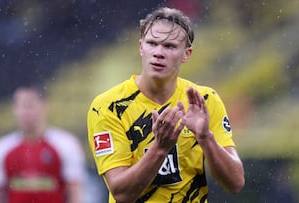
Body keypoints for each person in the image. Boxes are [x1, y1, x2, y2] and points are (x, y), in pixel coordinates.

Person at [87, 7, 245, 203]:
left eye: (169, 46)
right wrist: (160, 148)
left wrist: (206, 138)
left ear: (187, 54)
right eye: (152, 43)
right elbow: (121, 193)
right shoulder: (108, 106)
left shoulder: (204, 100)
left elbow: (236, 183)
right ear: (140, 47)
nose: (158, 53)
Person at [0, 85, 86, 203]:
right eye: (21, 106)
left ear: (45, 106)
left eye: (30, 105)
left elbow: (74, 193)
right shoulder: (2, 148)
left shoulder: (66, 145)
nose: (25, 112)